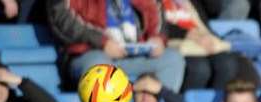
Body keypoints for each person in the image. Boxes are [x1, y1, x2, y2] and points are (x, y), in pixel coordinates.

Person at [49, 0, 186, 91]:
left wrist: (157, 37)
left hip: (136, 52)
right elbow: (61, 18)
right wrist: (102, 42)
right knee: (99, 68)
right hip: (91, 53)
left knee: (172, 60)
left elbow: (154, 7)